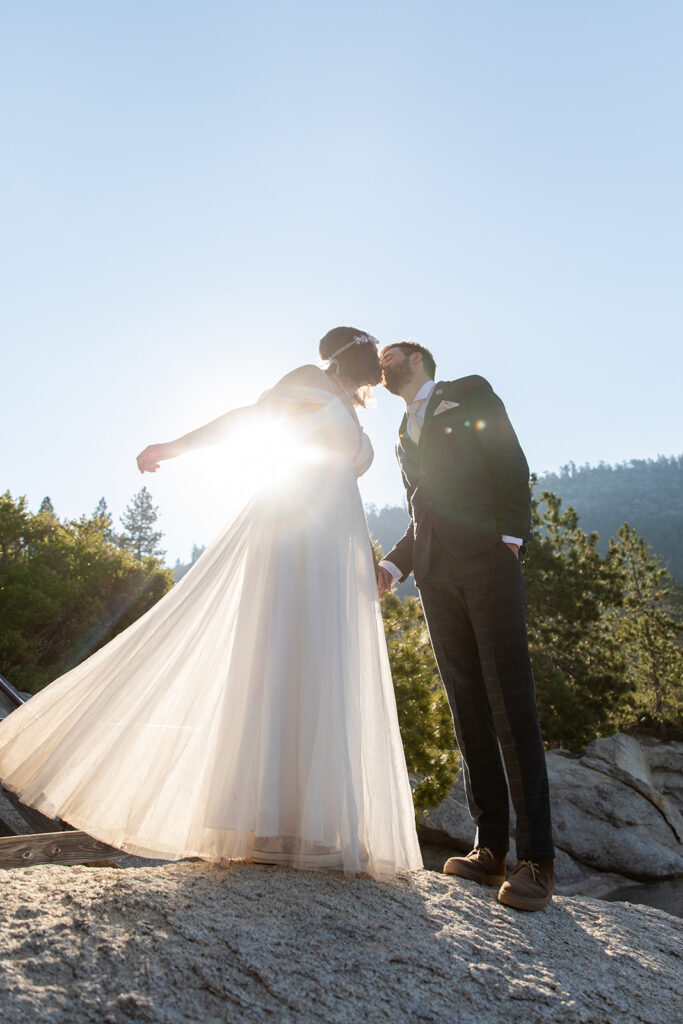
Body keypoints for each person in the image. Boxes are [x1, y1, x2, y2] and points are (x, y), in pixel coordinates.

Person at [0, 328, 422, 879]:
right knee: (278, 651)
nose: (379, 358)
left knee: (324, 662)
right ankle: (262, 821)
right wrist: (172, 447)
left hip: (336, 543)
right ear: (351, 350)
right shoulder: (307, 380)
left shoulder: (351, 407)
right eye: (373, 348)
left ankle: (314, 825)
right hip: (293, 531)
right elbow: (247, 420)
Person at [376, 341, 554, 910]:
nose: (382, 360)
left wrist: (511, 537)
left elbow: (508, 460)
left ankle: (536, 862)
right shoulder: (401, 433)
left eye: (392, 353)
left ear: (419, 359)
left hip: (487, 561)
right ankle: (490, 850)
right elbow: (418, 509)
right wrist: (394, 564)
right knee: (467, 705)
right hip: (435, 576)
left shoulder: (468, 392)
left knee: (510, 704)